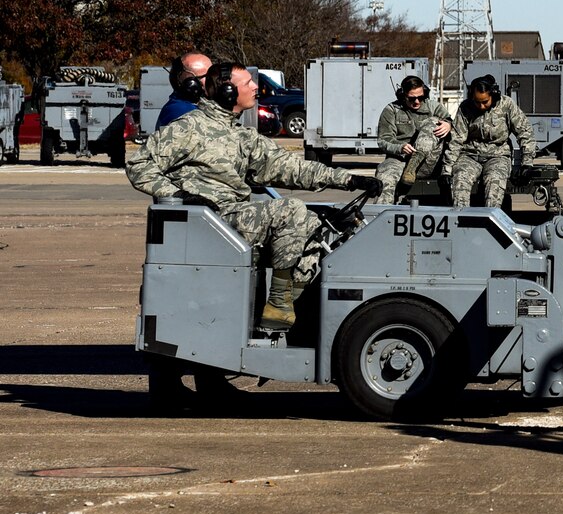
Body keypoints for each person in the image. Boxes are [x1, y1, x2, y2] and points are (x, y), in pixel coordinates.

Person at [125, 61, 374, 331]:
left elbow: (291, 167)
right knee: (291, 211)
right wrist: (178, 196)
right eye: (248, 83)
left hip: (232, 218)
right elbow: (139, 165)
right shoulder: (189, 128)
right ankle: (278, 304)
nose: (256, 87)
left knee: (316, 228)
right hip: (210, 221)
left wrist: (349, 179)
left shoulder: (241, 135)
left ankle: (293, 312)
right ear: (228, 91)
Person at [443, 74, 538, 209]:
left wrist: (527, 163)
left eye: (485, 102)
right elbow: (457, 139)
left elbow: (525, 132)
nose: (481, 106)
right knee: (460, 182)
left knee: (494, 185)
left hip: (497, 156)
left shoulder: (506, 105)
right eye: (477, 102)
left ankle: (491, 223)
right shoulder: (465, 108)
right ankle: (461, 222)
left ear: (493, 96)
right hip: (470, 156)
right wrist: (446, 170)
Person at [372, 74, 451, 204]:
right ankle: (382, 216)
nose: (417, 102)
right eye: (412, 98)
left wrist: (449, 125)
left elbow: (454, 126)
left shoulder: (434, 108)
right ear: (402, 96)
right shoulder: (391, 111)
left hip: (428, 160)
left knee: (433, 121)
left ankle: (414, 163)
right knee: (385, 177)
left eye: (421, 97)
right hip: (399, 159)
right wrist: (400, 147)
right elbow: (383, 140)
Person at [153, 51, 213, 131]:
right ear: (191, 83)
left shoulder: (195, 105)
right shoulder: (182, 112)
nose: (214, 79)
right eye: (208, 76)